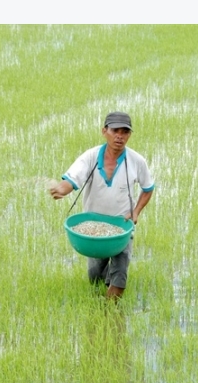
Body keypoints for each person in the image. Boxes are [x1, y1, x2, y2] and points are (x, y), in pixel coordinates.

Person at [50, 111, 155, 300]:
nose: (120, 136)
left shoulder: (136, 161)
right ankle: (102, 291)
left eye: (125, 132)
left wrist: (136, 211)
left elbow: (148, 188)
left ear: (129, 135)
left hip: (121, 227)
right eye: (115, 130)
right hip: (93, 230)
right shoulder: (89, 157)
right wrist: (62, 189)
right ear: (104, 131)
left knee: (119, 278)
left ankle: (109, 316)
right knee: (95, 278)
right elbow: (72, 179)